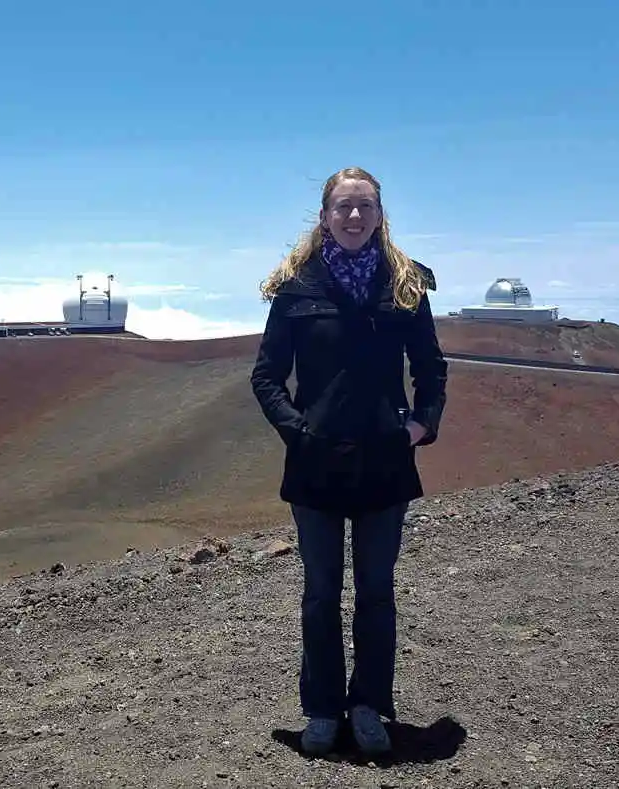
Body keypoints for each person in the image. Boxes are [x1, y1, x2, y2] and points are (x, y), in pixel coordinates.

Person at [250, 166, 448, 758]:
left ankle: (367, 706)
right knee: (319, 593)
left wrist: (419, 425)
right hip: (315, 466)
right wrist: (297, 431)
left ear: (380, 215)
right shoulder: (296, 287)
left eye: (365, 207)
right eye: (343, 207)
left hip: (384, 464)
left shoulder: (405, 286)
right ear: (325, 216)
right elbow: (266, 376)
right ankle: (319, 711)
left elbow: (432, 369)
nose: (354, 217)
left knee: (376, 592)